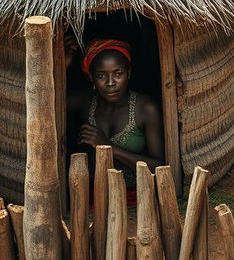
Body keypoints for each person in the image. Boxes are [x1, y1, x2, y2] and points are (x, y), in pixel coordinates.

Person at [68, 37, 164, 191]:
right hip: (90, 197)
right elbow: (47, 104)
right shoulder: (85, 102)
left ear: (129, 72)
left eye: (118, 73)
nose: (111, 82)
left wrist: (108, 147)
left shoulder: (145, 109)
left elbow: (160, 167)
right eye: (101, 76)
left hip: (138, 198)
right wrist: (63, 65)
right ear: (91, 77)